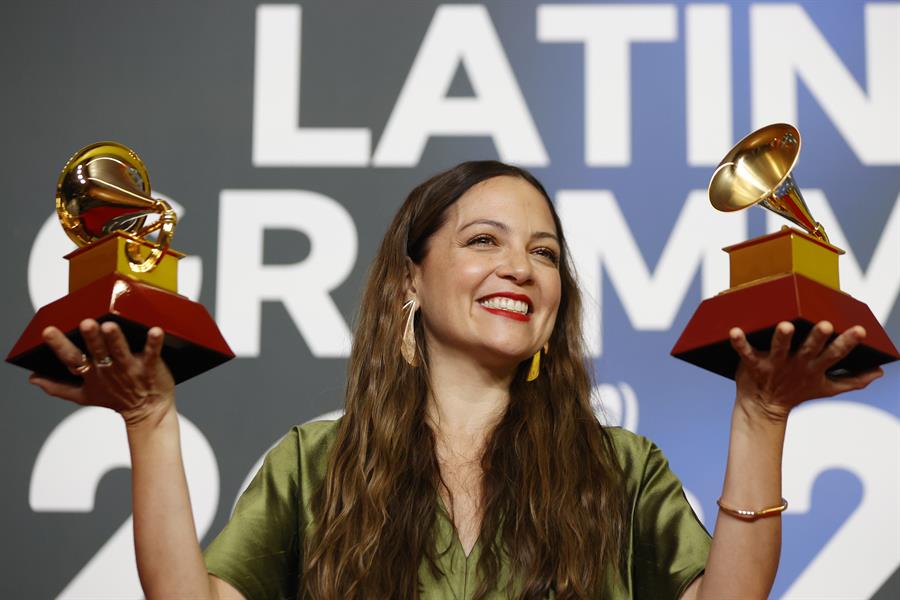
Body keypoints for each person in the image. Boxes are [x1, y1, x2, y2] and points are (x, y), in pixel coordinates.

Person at [31, 161, 883, 599]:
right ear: (411, 279)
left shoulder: (622, 470)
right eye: (484, 241)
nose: (520, 266)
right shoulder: (314, 464)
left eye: (543, 253)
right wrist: (148, 421)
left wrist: (762, 416)